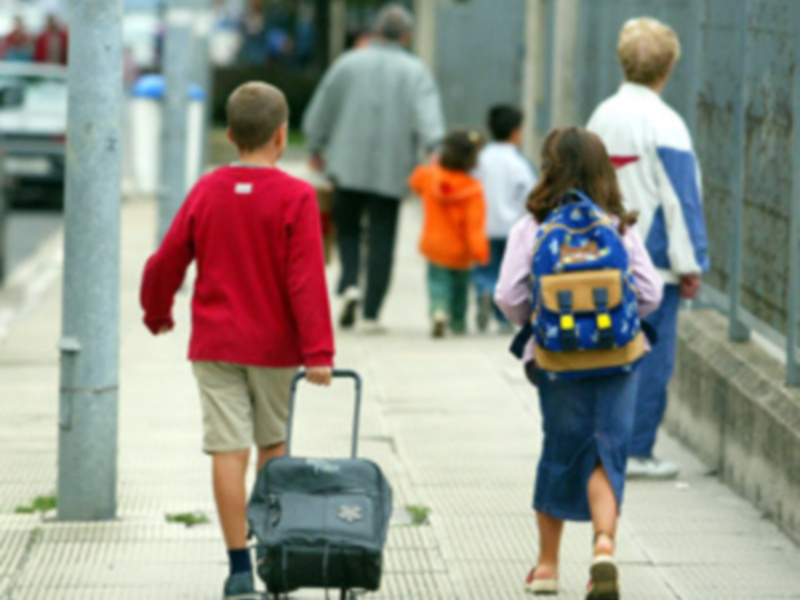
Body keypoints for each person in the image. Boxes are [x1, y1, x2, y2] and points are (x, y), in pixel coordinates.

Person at [140, 82, 335, 600]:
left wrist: (157, 311)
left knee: (227, 450)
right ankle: (270, 550)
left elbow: (166, 259)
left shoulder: (207, 190)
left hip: (216, 345)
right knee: (272, 444)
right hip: (275, 347)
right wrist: (318, 352)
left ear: (229, 135)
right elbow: (306, 280)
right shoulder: (297, 197)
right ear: (282, 134)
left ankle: (238, 570)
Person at [495, 127, 663, 599]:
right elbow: (651, 293)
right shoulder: (618, 226)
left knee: (561, 448)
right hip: (618, 360)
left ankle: (547, 567)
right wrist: (616, 321)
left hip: (557, 359)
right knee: (606, 451)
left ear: (548, 169)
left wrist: (541, 323)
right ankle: (604, 547)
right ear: (603, 170)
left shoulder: (532, 228)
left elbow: (507, 295)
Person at [587, 17, 709, 480]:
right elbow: (681, 200)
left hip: (600, 256)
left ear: (621, 60)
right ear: (670, 67)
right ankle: (637, 450)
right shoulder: (667, 124)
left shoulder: (600, 116)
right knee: (652, 355)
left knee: (602, 349)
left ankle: (600, 444)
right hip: (653, 265)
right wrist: (692, 263)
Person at [303, 3, 446, 334]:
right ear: (406, 36)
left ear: (376, 31)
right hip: (392, 168)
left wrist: (315, 145)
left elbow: (323, 106)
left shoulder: (348, 63)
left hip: (345, 163)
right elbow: (428, 114)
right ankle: (371, 312)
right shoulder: (415, 71)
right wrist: (434, 147)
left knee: (348, 228)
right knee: (383, 237)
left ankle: (350, 283)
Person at [409, 130, 489, 338]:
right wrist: (480, 251)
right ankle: (458, 322)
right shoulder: (473, 189)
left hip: (435, 245)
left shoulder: (431, 177)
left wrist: (433, 165)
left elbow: (414, 181)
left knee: (437, 283)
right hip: (461, 252)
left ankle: (438, 311)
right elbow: (474, 225)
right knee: (460, 289)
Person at [473, 105, 537, 333]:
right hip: (511, 228)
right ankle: (502, 319)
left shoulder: (480, 158)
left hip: (483, 226)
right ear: (516, 132)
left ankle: (483, 292)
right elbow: (529, 192)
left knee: (484, 269)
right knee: (507, 275)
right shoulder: (518, 161)